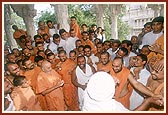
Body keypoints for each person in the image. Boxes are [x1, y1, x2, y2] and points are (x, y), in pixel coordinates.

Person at [82, 72, 163, 111]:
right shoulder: (112, 106)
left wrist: (110, 78)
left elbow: (97, 78)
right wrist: (147, 102)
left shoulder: (87, 92)